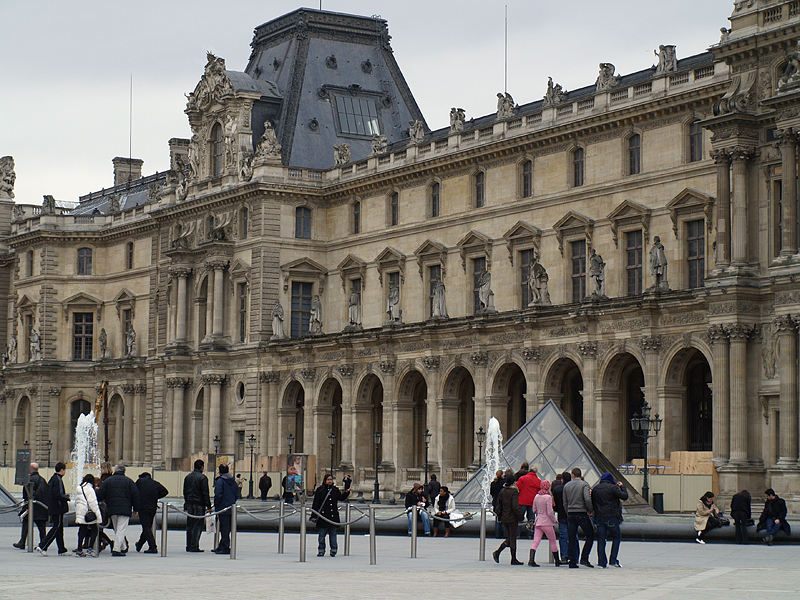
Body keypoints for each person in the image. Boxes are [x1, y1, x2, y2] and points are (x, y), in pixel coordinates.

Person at [97, 464, 140, 557]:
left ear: (115, 471)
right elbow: (135, 496)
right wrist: (136, 508)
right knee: (121, 529)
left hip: (112, 508)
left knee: (117, 528)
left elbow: (100, 494)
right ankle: (116, 549)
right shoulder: (129, 481)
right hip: (125, 508)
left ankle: (123, 547)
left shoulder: (108, 481)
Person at [592, 472, 628, 568]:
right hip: (611, 516)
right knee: (617, 537)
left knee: (601, 539)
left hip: (599, 516)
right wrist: (622, 487)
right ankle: (613, 560)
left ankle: (601, 562)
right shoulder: (613, 488)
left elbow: (592, 503)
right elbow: (625, 496)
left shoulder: (596, 489)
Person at [36, 462, 71, 556]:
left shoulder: (53, 478)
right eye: (65, 470)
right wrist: (66, 497)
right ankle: (43, 546)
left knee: (59, 529)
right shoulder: (58, 479)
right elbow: (58, 494)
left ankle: (62, 549)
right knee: (56, 528)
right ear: (62, 470)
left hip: (54, 507)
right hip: (58, 507)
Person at [311, 472, 351, 556]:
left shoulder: (335, 490)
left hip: (333, 516)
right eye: (328, 480)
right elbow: (316, 503)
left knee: (333, 535)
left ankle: (333, 549)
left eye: (331, 479)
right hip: (323, 516)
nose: (330, 481)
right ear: (325, 480)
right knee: (322, 535)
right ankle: (321, 549)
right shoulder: (320, 490)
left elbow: (341, 498)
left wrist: (346, 492)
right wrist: (313, 515)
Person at [563, 467, 594, 568]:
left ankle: (572, 561)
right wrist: (590, 510)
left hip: (571, 513)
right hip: (581, 513)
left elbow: (565, 502)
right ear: (580, 475)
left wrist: (568, 511)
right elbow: (587, 498)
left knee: (571, 538)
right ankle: (584, 558)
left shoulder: (566, 486)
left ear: (572, 475)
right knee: (590, 535)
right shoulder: (584, 484)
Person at [14, 462, 48, 550]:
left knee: (26, 523)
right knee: (41, 527)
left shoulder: (29, 479)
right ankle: (44, 543)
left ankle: (22, 542)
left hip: (31, 506)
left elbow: (27, 494)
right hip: (41, 507)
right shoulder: (43, 480)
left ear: (30, 469)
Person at [492, 474, 524, 565]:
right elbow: (515, 506)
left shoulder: (502, 491)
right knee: (512, 538)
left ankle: (504, 555)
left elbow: (499, 504)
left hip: (504, 517)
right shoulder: (514, 492)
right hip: (512, 518)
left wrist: (500, 516)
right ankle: (501, 554)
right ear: (514, 482)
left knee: (510, 538)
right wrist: (520, 516)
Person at [528, 479, 560, 567]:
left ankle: (531, 559)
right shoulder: (548, 497)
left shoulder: (537, 496)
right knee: (553, 541)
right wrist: (554, 520)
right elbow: (550, 512)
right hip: (547, 523)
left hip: (538, 522)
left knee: (535, 542)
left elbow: (534, 510)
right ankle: (557, 561)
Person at [135, 472, 168, 553]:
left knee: (146, 527)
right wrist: (155, 496)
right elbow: (165, 491)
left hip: (143, 507)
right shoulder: (155, 483)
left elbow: (134, 493)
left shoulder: (139, 482)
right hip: (152, 508)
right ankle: (139, 544)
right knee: (147, 527)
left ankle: (153, 547)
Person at [183, 459, 212, 552]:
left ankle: (189, 544)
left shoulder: (188, 477)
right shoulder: (203, 478)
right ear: (202, 467)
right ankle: (194, 545)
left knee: (190, 524)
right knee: (197, 525)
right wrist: (209, 506)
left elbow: (185, 491)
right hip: (199, 504)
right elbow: (205, 493)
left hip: (190, 503)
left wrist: (187, 501)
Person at [213, 463, 240, 554]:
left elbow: (218, 494)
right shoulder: (233, 480)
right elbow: (237, 493)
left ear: (220, 471)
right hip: (231, 507)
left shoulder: (220, 481)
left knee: (224, 528)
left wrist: (217, 505)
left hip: (222, 507)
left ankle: (225, 546)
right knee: (227, 528)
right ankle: (222, 545)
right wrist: (232, 502)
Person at [74, 474, 101, 557]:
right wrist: (98, 515)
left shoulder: (79, 488)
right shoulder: (90, 489)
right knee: (94, 530)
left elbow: (76, 501)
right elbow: (93, 503)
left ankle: (79, 549)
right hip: (88, 512)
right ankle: (90, 548)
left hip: (81, 511)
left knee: (82, 530)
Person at [516, 465, 541, 539]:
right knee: (531, 519)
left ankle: (517, 534)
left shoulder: (522, 478)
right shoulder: (538, 481)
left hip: (522, 501)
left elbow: (517, 488)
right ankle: (530, 534)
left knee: (520, 518)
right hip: (532, 502)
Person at [552, 471, 571, 563]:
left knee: (563, 536)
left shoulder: (557, 489)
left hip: (561, 515)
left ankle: (564, 556)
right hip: (572, 514)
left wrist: (558, 510)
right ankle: (574, 556)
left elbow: (554, 504)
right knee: (573, 536)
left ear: (562, 480)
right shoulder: (573, 489)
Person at [490, 469, 505, 539]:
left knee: (497, 518)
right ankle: (505, 534)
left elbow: (491, 493)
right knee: (504, 518)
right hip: (503, 502)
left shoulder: (493, 483)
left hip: (495, 502)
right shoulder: (503, 483)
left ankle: (497, 534)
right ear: (502, 475)